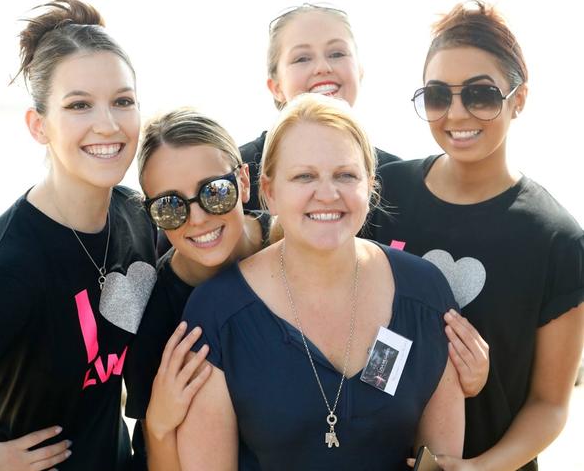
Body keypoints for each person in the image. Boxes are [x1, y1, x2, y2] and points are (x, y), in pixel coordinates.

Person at [178, 93, 465, 470]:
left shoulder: (424, 292)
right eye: (304, 176)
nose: (328, 194)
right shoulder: (218, 313)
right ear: (269, 192)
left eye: (345, 175)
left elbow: (442, 461)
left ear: (370, 186)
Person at [0, 0, 156, 471]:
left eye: (123, 101)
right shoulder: (12, 265)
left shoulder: (138, 216)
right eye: (79, 105)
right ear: (39, 126)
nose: (109, 124)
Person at [367, 1, 584, 471]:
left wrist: (481, 468)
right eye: (437, 95)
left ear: (519, 99)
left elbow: (550, 403)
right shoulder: (384, 194)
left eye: (482, 95)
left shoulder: (557, 239)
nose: (456, 113)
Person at [123, 109, 271, 470]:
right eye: (171, 206)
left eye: (215, 192)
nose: (199, 218)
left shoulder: (292, 246)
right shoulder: (152, 315)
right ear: (151, 214)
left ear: (244, 181)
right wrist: (158, 425)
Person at [240, 3, 402, 212]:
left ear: (360, 72)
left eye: (337, 54)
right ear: (276, 87)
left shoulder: (396, 177)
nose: (323, 68)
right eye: (302, 58)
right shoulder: (239, 174)